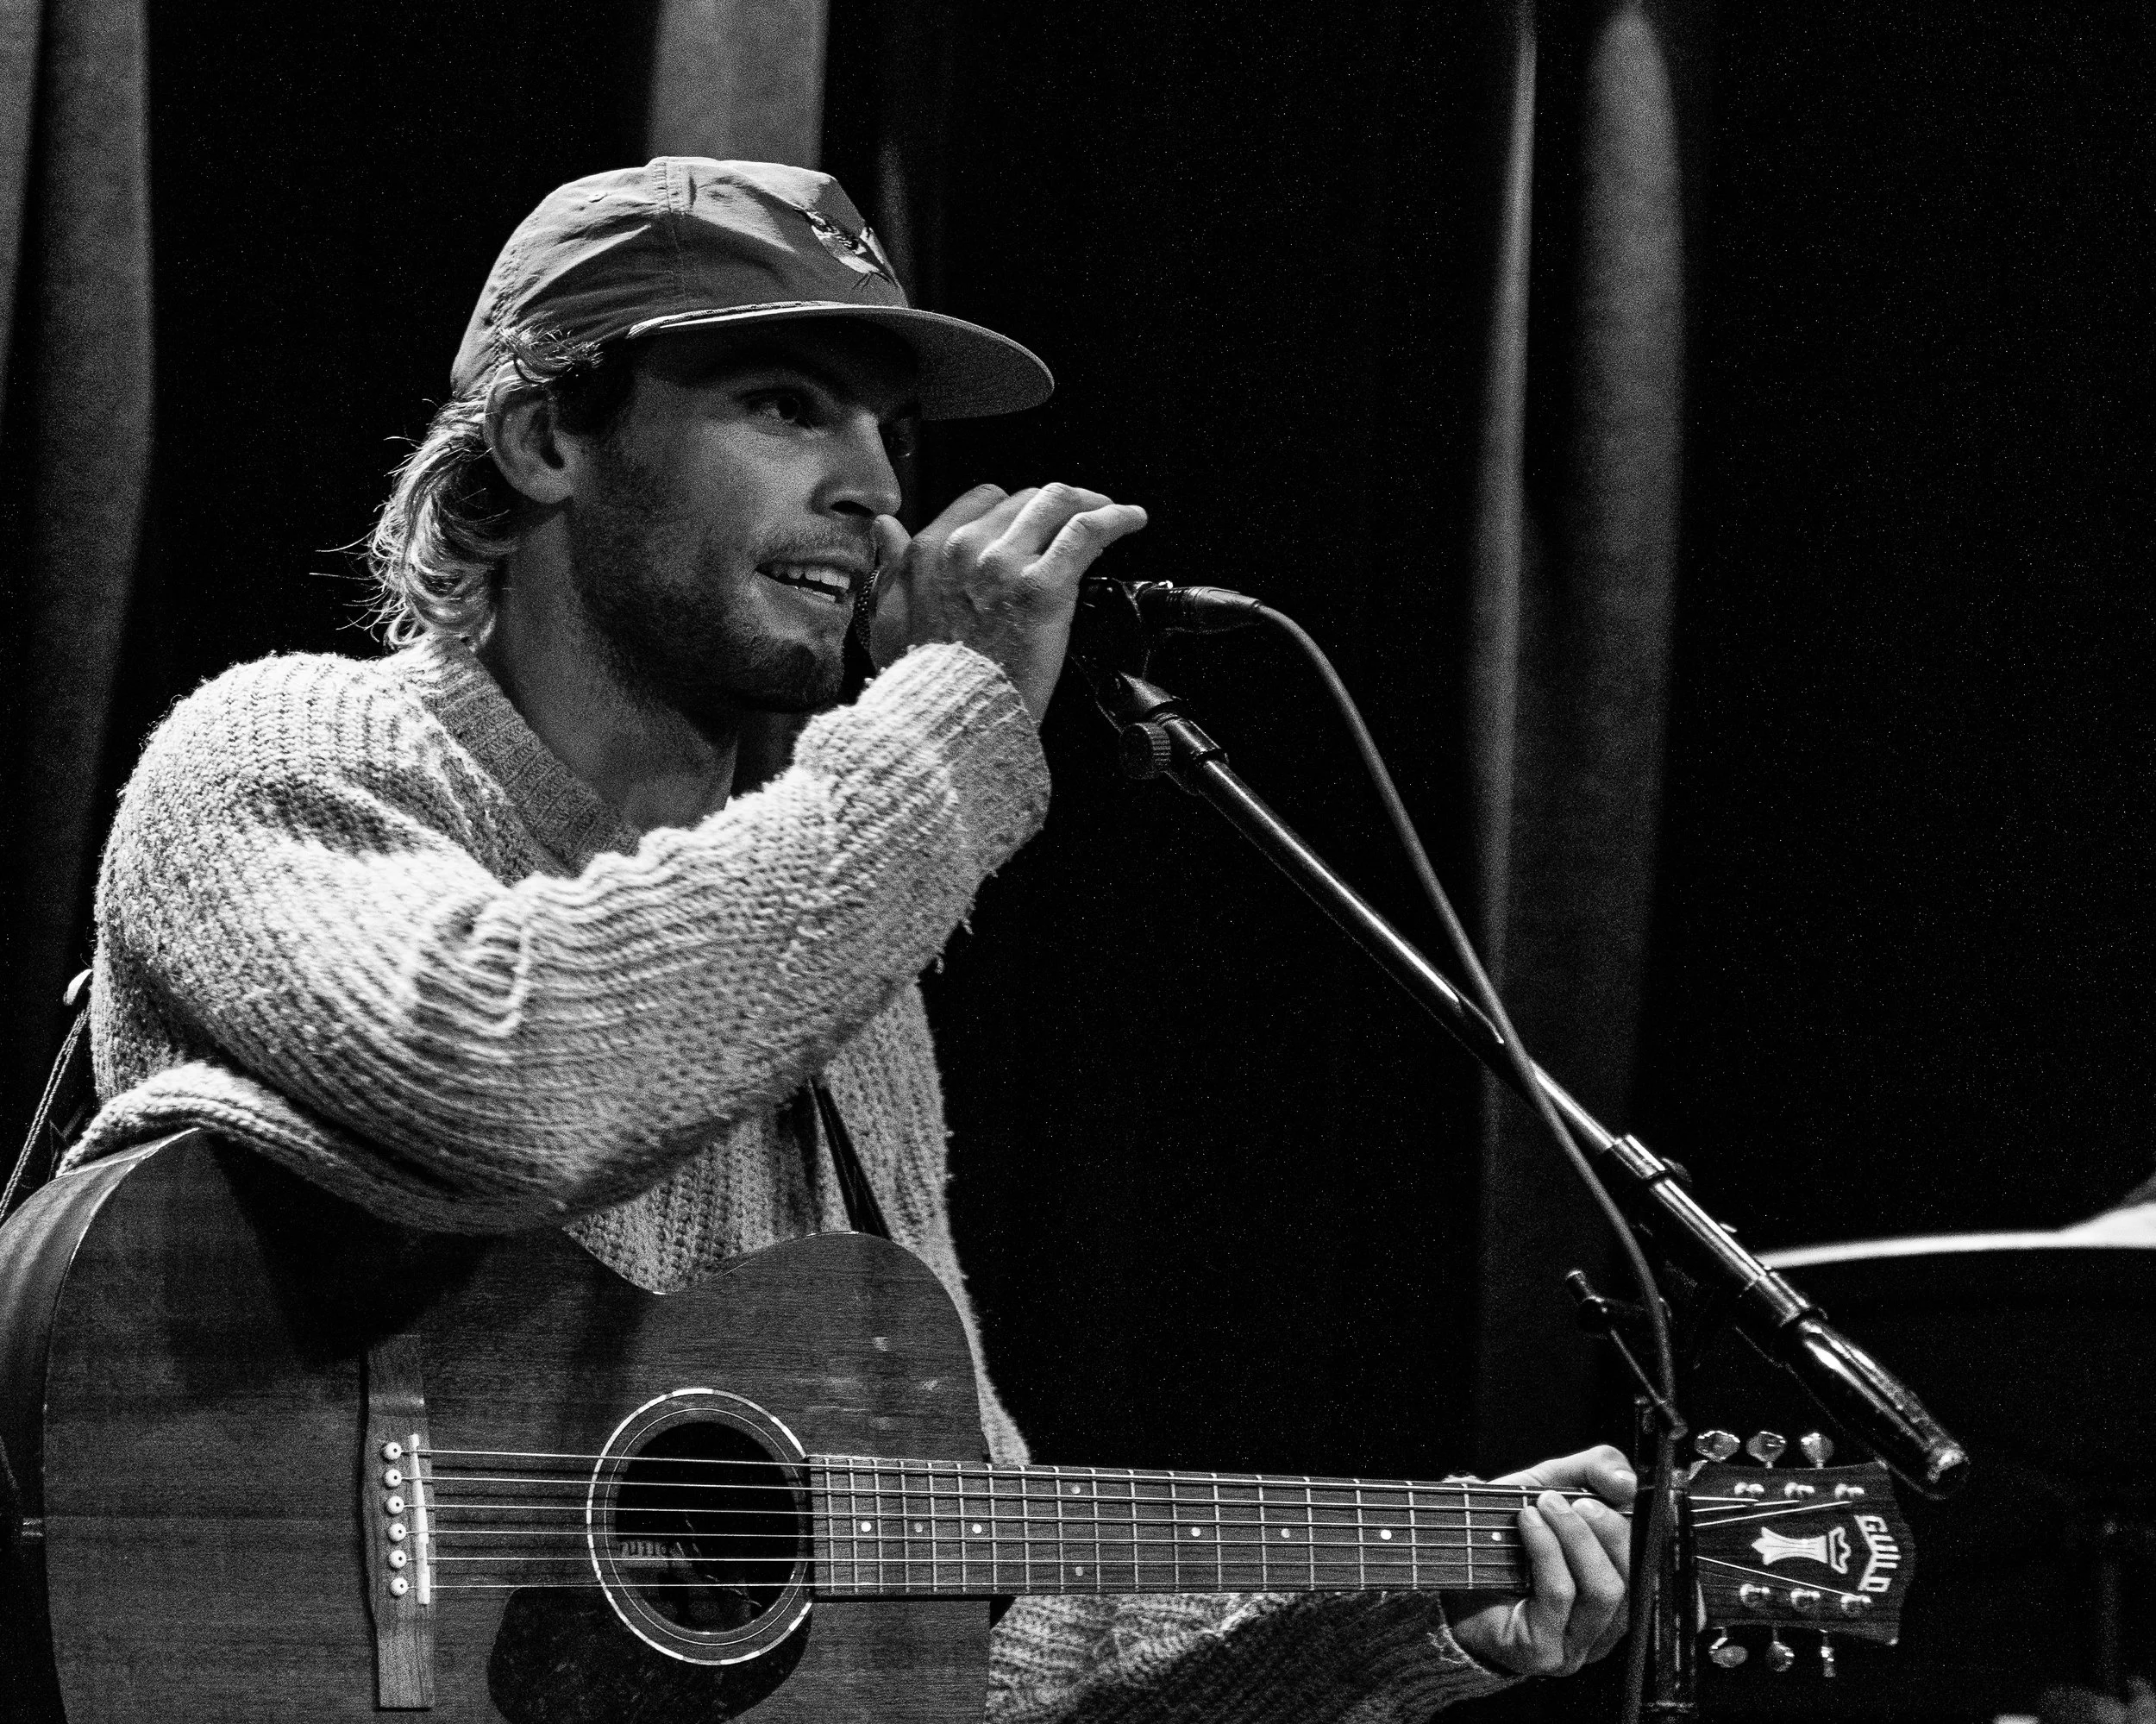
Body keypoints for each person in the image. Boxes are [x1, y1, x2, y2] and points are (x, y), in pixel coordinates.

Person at [66, 157, 1633, 1717]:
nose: (877, 489)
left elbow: (979, 1641)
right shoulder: (290, 756)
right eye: (787, 403)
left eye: (890, 427)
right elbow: (512, 1078)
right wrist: (953, 722)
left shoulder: (844, 963)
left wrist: (1409, 1613)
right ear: (549, 435)